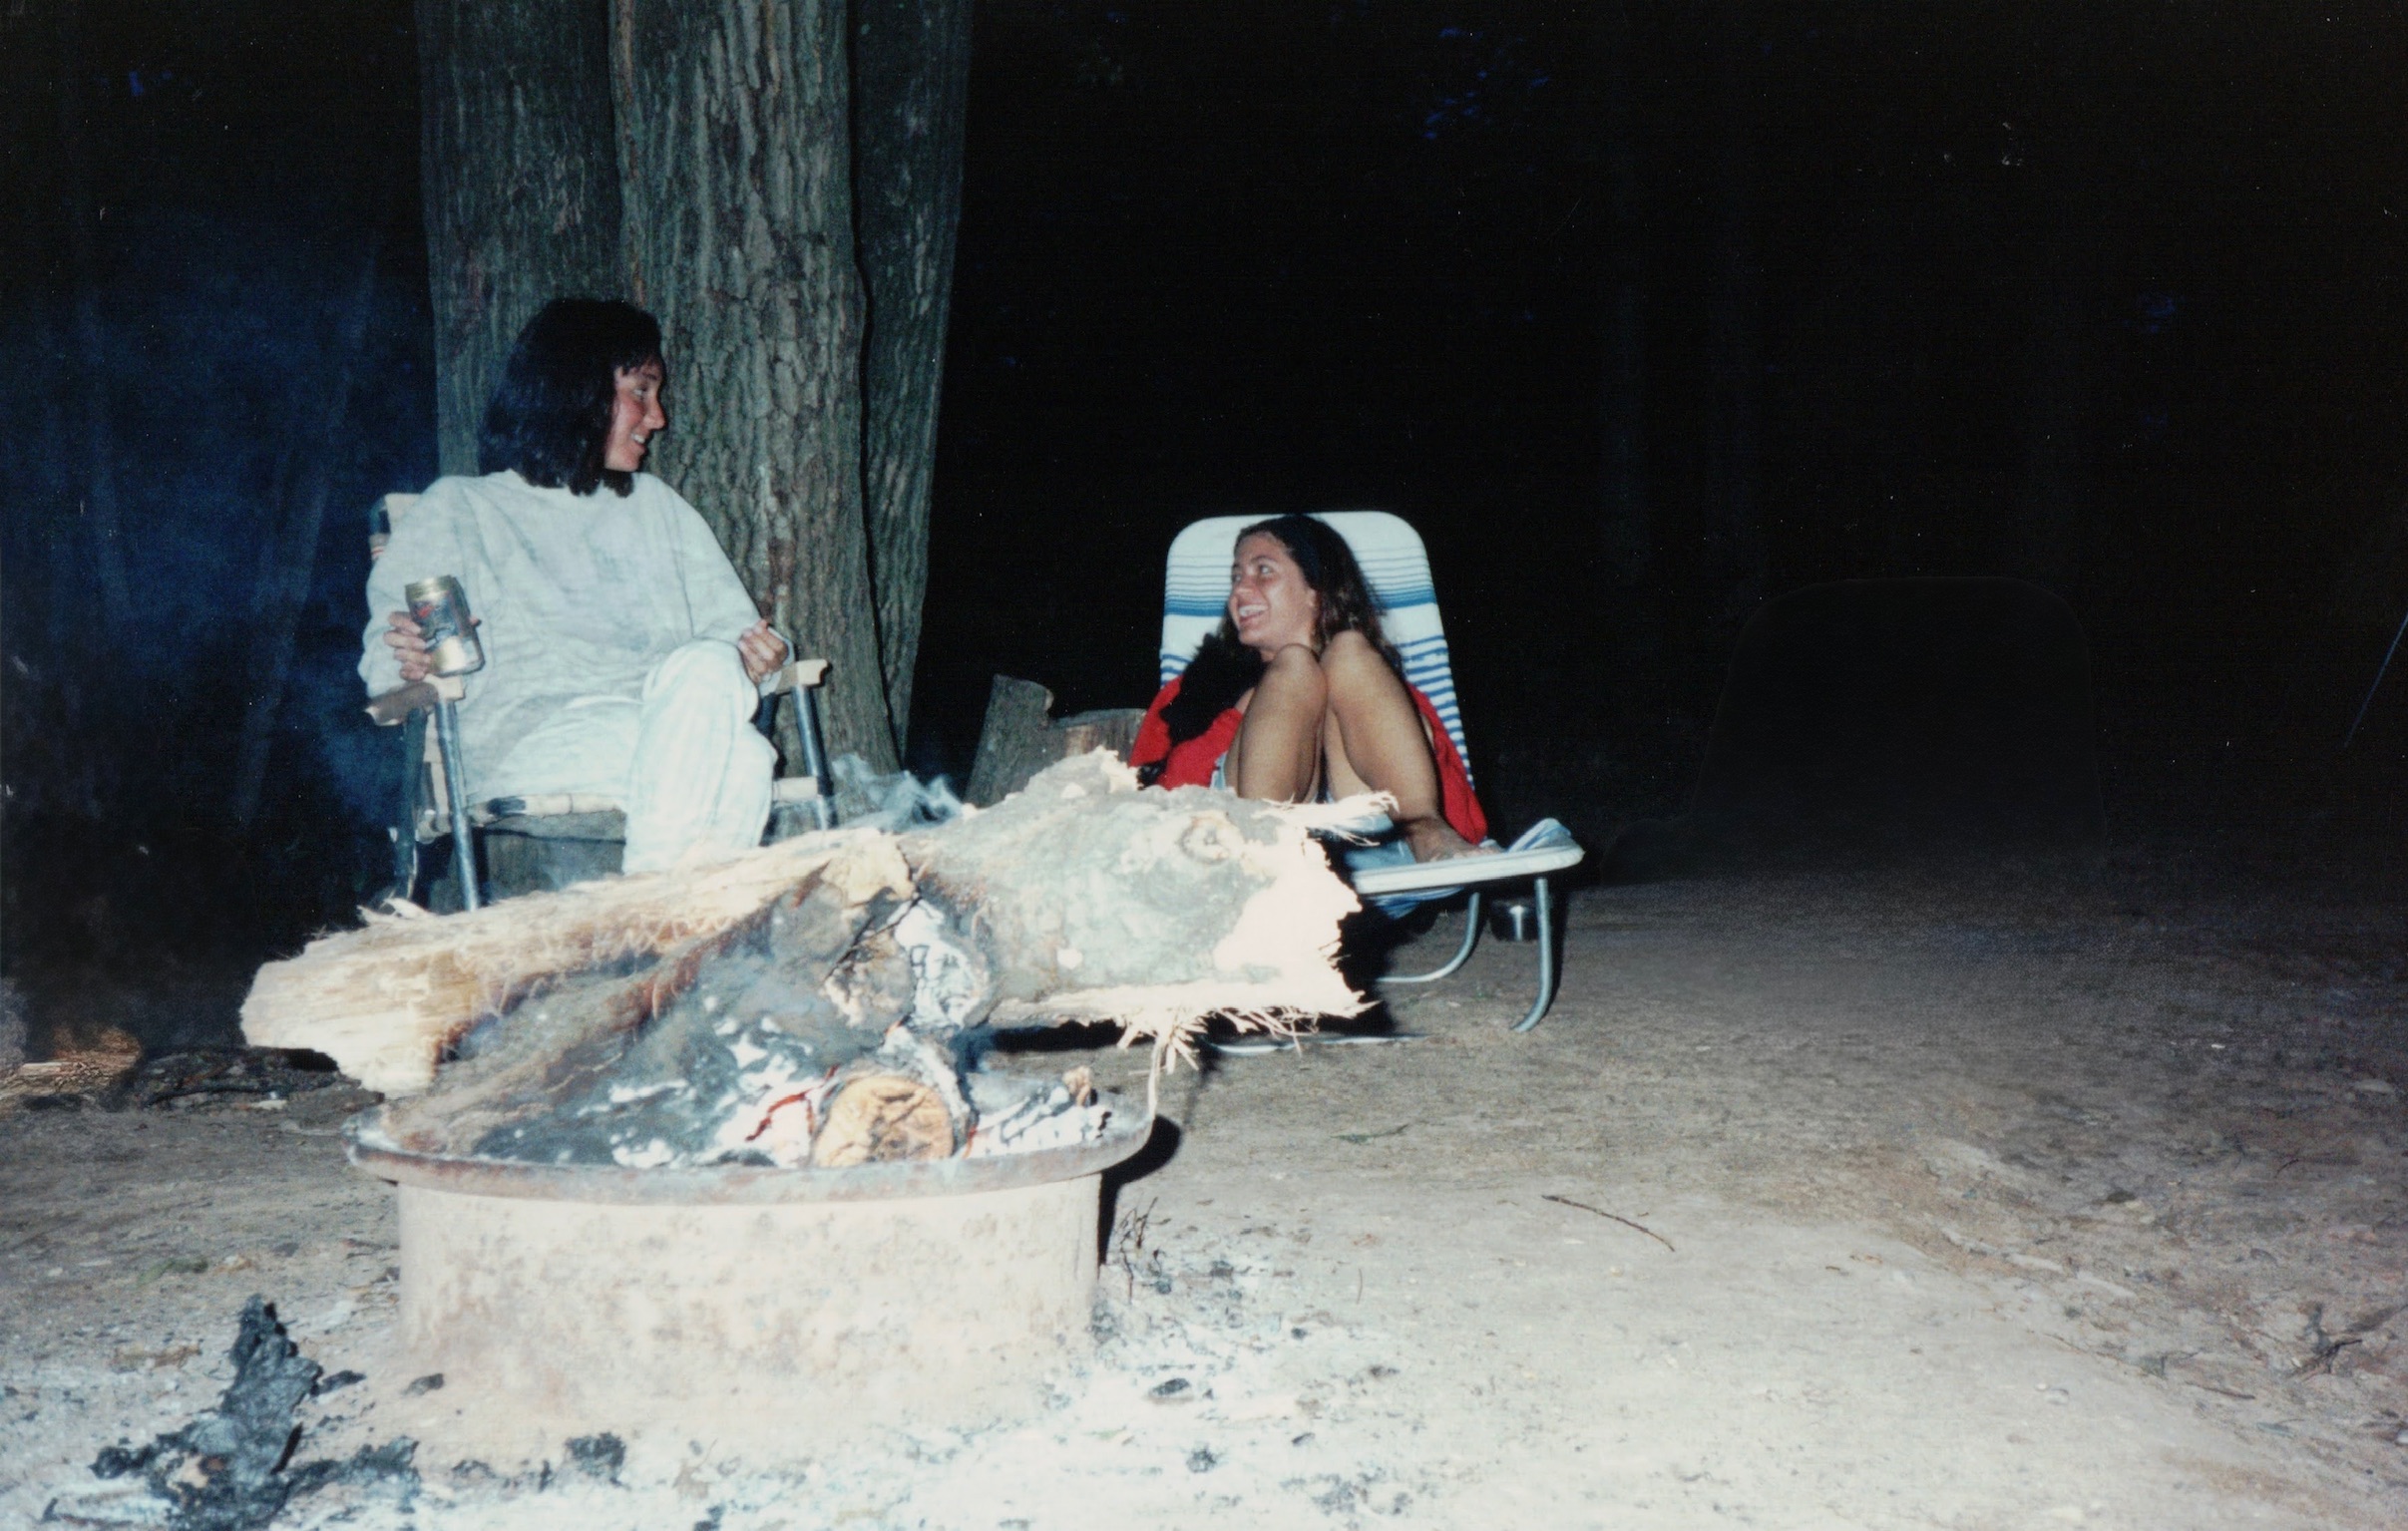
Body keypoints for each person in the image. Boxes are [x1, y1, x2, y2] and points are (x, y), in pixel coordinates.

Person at [361, 298, 790, 875]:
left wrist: (758, 654)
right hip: (532, 745)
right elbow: (384, 667)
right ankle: (663, 915)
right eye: (641, 390)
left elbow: (728, 641)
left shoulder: (658, 508)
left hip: (664, 730)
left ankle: (657, 920)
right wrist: (408, 658)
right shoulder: (462, 508)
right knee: (741, 760)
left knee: (731, 728)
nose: (657, 417)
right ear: (574, 389)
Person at [1129, 514, 1488, 863]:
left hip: (1378, 851)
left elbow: (1467, 825)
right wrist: (1245, 714)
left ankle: (1420, 832)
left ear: (1316, 591)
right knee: (1295, 668)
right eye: (1236, 576)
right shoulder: (1192, 690)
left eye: (1263, 571)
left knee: (1347, 650)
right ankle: (1266, 855)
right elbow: (1148, 812)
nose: (1239, 589)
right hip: (1240, 854)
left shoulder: (1380, 688)